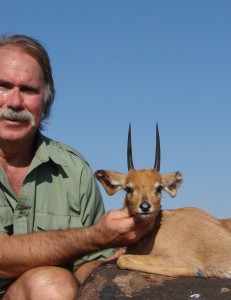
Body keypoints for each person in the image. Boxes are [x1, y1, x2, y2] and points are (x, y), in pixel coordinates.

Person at [0, 34, 154, 300]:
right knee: (50, 283)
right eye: (3, 86)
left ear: (46, 101)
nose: (15, 102)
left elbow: (90, 263)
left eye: (28, 90)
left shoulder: (73, 169)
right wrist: (97, 236)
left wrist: (110, 265)